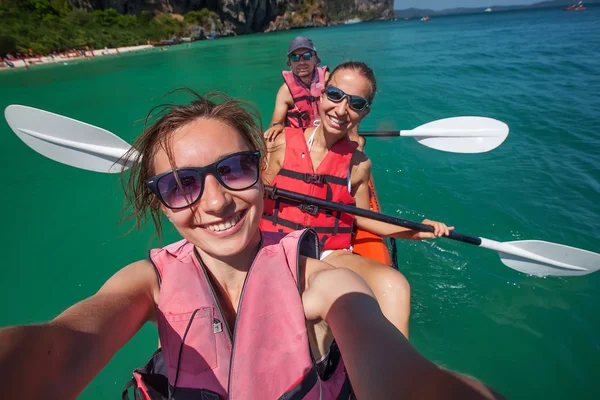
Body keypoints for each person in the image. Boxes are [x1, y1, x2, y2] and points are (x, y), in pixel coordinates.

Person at [0, 91, 500, 400]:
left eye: (233, 170)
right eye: (182, 185)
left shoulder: (321, 280)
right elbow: (59, 348)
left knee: (391, 285)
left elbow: (399, 374)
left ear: (261, 172)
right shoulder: (147, 284)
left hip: (330, 244)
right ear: (161, 204)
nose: (216, 202)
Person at [262, 61, 453, 339]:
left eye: (355, 103)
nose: (341, 110)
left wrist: (417, 231)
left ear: (365, 112)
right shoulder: (281, 143)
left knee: (395, 284)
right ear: (322, 93)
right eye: (335, 95)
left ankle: (396, 372)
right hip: (276, 245)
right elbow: (254, 199)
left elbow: (365, 219)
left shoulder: (359, 165)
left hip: (330, 252)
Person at [263, 36, 329, 141]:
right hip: (300, 143)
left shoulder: (329, 81)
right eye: (295, 57)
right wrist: (277, 126)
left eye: (307, 56)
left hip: (328, 139)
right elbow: (276, 122)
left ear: (315, 58)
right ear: (290, 62)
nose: (301, 62)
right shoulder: (286, 91)